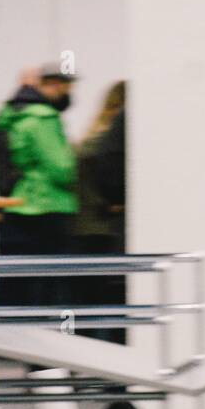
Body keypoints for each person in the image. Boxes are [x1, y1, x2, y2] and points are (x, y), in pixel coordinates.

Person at [0, 61, 78, 308]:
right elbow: (62, 169)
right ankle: (47, 343)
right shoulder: (42, 117)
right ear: (55, 85)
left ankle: (4, 341)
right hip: (47, 206)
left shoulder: (11, 115)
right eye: (68, 88)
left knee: (15, 282)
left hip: (18, 205)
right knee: (49, 285)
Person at [70, 80, 127, 343]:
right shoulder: (112, 140)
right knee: (112, 308)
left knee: (87, 307)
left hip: (83, 231)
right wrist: (116, 200)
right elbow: (110, 185)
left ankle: (85, 371)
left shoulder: (92, 136)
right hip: (103, 231)